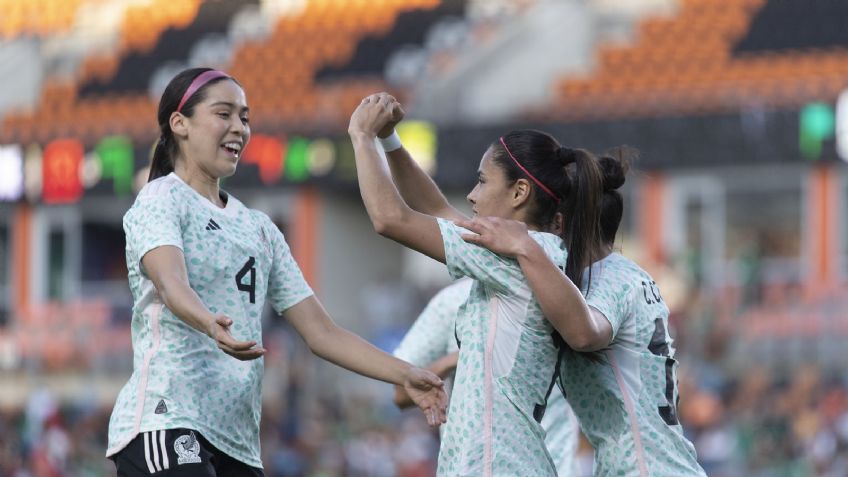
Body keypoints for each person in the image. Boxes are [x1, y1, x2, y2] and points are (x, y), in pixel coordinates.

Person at [105, 68, 446, 477]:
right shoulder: (160, 198)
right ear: (180, 124)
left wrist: (405, 373)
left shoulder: (259, 228)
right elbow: (171, 282)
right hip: (167, 419)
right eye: (224, 114)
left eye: (245, 118)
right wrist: (209, 323)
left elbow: (323, 333)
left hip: (239, 442)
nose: (239, 128)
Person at [349, 92, 605, 476]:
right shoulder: (529, 253)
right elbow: (436, 210)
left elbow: (391, 218)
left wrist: (361, 136)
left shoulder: (512, 255)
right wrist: (390, 141)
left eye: (483, 181)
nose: (471, 194)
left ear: (519, 192)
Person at [458, 151, 708, 476]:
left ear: (559, 224)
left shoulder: (607, 279)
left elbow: (586, 334)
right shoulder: (624, 277)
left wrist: (525, 247)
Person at [392, 278, 581, 475]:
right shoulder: (452, 300)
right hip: (474, 469)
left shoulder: (563, 287)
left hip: (557, 466)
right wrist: (456, 359)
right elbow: (400, 393)